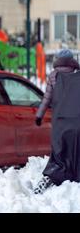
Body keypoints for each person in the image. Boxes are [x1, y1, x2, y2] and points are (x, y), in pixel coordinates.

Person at [33, 49, 80, 194]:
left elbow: (47, 98)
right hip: (77, 121)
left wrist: (39, 116)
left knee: (59, 153)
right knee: (76, 151)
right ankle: (74, 179)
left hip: (59, 122)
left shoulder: (53, 76)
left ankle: (51, 178)